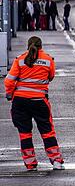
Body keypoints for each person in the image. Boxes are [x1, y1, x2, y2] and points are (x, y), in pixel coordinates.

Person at [4, 36, 65, 171]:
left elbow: (9, 81)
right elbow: (51, 76)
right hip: (39, 101)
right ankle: (56, 161)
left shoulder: (20, 60)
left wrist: (9, 94)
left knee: (24, 133)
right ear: (41, 46)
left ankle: (30, 164)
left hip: (20, 102)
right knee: (47, 132)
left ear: (28, 46)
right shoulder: (48, 60)